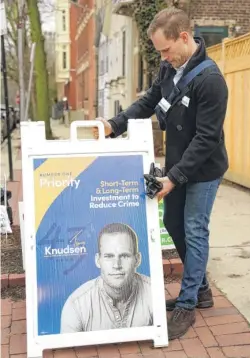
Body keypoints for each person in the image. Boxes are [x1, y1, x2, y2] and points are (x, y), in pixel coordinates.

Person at [92, 7, 229, 340]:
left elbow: (207, 139)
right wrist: (113, 125)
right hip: (179, 164)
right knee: (173, 223)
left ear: (184, 37)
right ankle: (203, 291)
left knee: (195, 229)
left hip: (203, 169)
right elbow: (150, 100)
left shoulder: (210, 80)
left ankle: (187, 303)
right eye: (159, 53)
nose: (164, 58)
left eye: (166, 50)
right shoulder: (170, 69)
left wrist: (172, 177)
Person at [60, 223, 152, 332]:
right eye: (109, 256)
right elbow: (71, 349)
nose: (116, 265)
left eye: (124, 256)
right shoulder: (76, 305)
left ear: (137, 260)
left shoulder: (153, 293)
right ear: (98, 260)